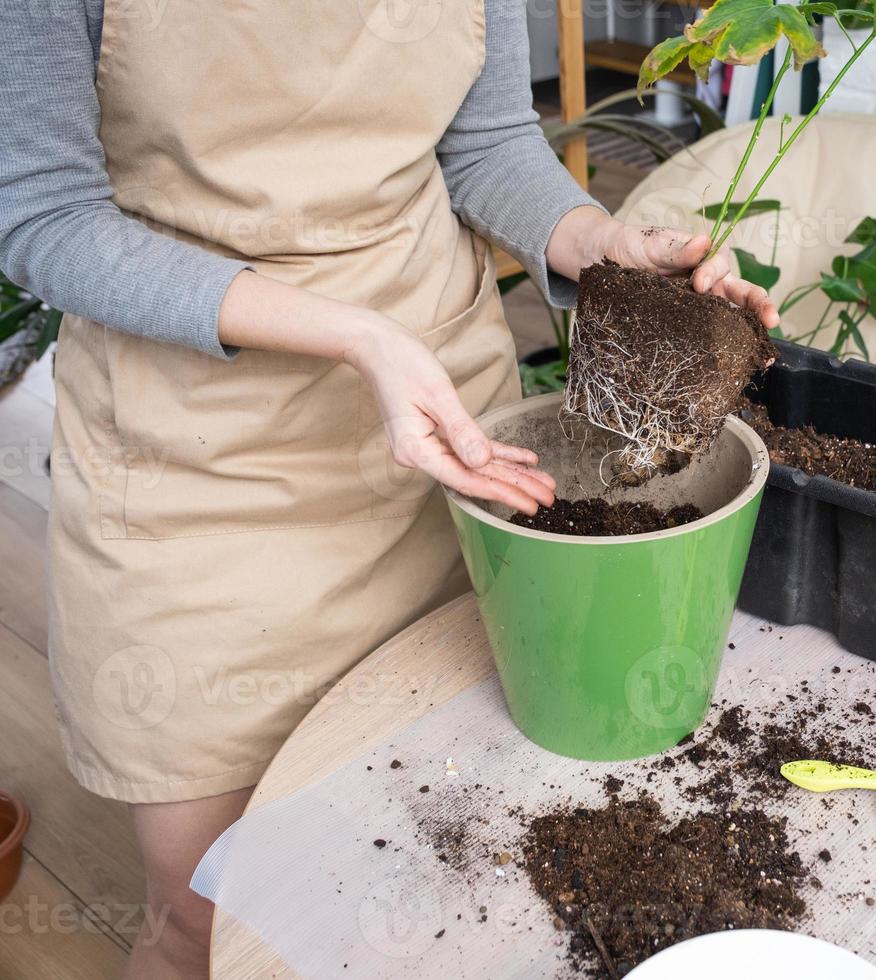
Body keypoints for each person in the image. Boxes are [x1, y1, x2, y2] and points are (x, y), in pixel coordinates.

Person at [0, 2, 777, 976]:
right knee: (209, 908)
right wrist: (357, 334)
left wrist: (596, 241)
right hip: (195, 465)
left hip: (449, 438)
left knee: (433, 866)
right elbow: (46, 216)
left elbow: (485, 139)